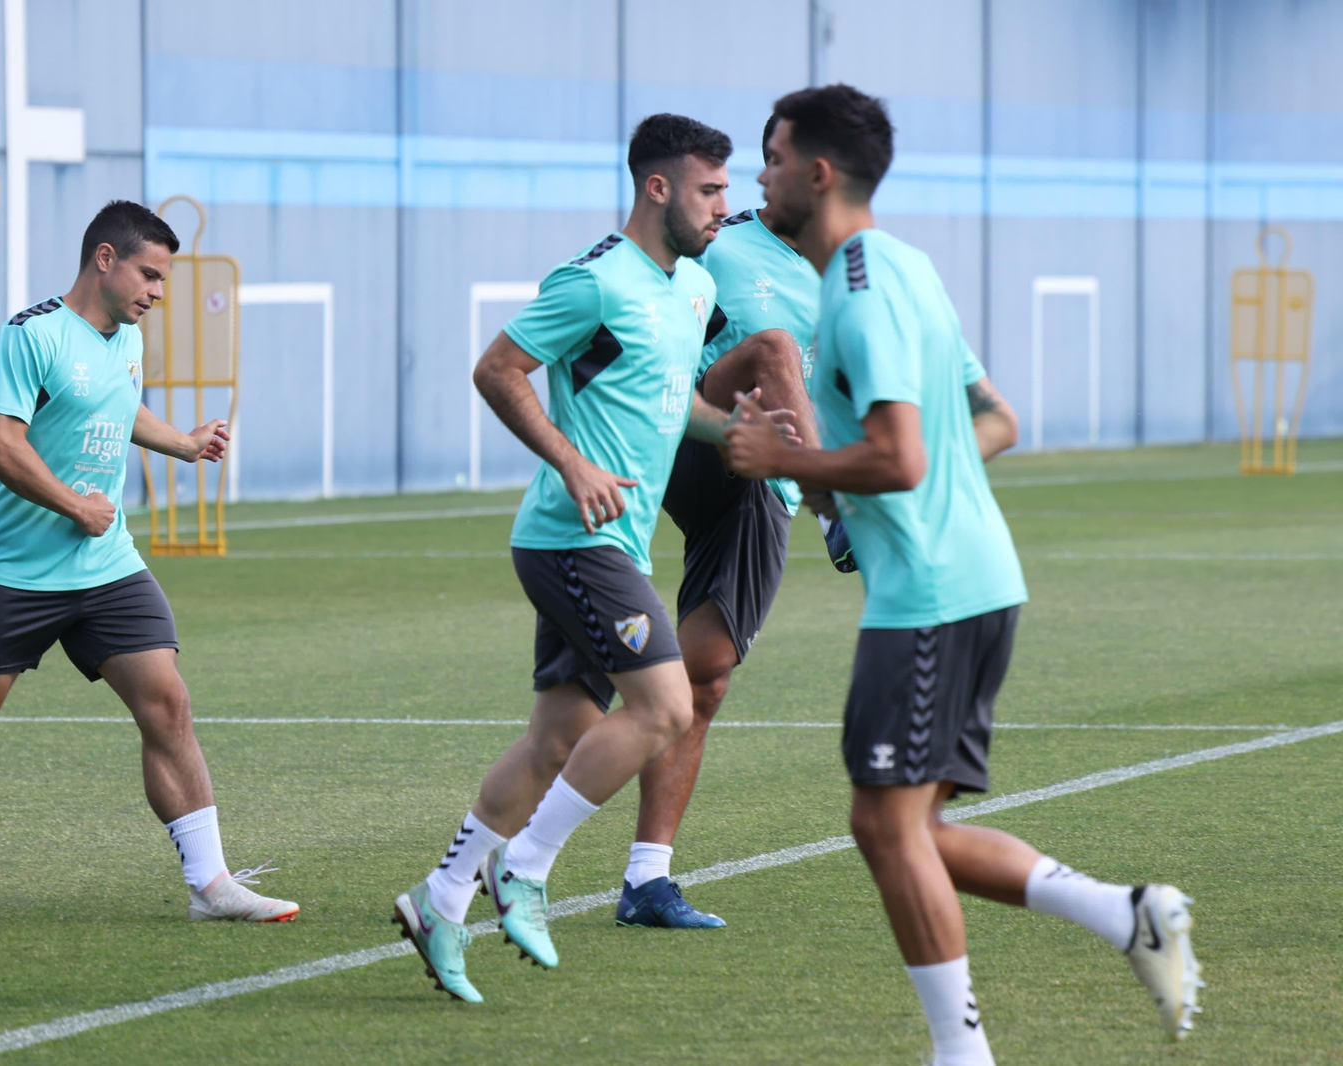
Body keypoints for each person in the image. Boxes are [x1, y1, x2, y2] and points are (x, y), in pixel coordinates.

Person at [724, 85, 1202, 1063]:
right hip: (966, 581)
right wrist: (884, 488)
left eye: (770, 156)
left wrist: (793, 465)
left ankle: (963, 1052)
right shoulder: (902, 266)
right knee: (900, 826)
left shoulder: (856, 295)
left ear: (815, 173)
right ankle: (1128, 915)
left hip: (931, 599)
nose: (758, 176)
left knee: (887, 824)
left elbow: (900, 457)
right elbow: (994, 418)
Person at [391, 114, 796, 1003]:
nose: (725, 208)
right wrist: (571, 463)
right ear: (659, 189)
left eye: (727, 189)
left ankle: (442, 893)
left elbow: (669, 399)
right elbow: (497, 369)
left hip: (611, 540)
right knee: (665, 707)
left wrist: (733, 428)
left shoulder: (690, 289)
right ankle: (525, 870)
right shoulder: (594, 281)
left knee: (557, 737)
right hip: (570, 538)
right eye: (709, 190)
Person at [0, 200, 298, 925]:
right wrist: (75, 506)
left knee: (168, 705)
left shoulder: (125, 340)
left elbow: (118, 406)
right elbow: (0, 446)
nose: (158, 292)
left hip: (107, 567)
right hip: (14, 572)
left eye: (162, 281)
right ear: (105, 259)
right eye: (150, 275)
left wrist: (184, 443)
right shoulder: (30, 335)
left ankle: (210, 884)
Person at [617, 114, 858, 931]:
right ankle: (837, 512)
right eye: (778, 168)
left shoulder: (852, 273)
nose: (758, 188)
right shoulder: (717, 242)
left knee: (700, 679)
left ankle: (646, 879)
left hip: (764, 475)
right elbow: (635, 279)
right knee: (769, 348)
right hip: (697, 430)